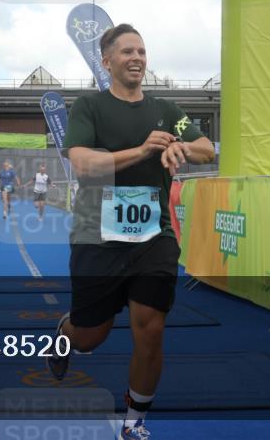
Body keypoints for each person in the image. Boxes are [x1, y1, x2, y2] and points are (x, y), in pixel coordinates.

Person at [46, 23, 214, 440]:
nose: (137, 58)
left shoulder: (166, 111)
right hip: (96, 235)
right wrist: (142, 150)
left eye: (141, 51)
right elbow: (83, 164)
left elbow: (207, 148)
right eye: (127, 52)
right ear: (107, 61)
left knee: (151, 326)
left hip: (153, 235)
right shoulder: (89, 106)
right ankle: (65, 333)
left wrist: (181, 147)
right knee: (90, 337)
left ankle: (135, 422)